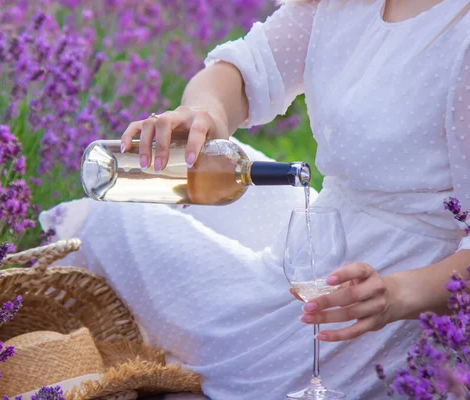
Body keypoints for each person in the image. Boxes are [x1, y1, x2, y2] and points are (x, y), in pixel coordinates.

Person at [39, 0, 470, 398]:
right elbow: (243, 71)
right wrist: (206, 113)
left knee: (107, 220)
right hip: (330, 230)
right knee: (232, 165)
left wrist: (398, 294)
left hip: (380, 299)